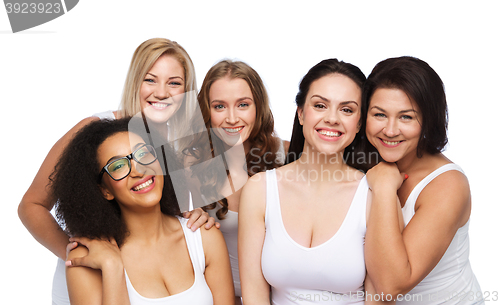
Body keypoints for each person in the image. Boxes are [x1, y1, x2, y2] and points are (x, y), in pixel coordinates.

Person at [17, 38, 215, 305]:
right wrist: (80, 254)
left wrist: (196, 216)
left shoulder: (178, 145)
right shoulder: (93, 133)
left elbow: (162, 217)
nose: (161, 92)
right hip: (89, 288)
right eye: (150, 80)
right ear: (135, 81)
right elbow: (31, 205)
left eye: (174, 83)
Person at [239, 59, 383, 304]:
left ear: (359, 123)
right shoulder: (260, 189)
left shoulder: (373, 194)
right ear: (301, 113)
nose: (332, 118)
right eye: (320, 105)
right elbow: (254, 294)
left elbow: (379, 296)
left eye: (346, 109)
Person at [51, 118, 234, 304]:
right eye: (118, 165)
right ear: (105, 190)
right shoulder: (87, 259)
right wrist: (112, 267)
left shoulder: (204, 237)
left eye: (143, 154)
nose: (138, 170)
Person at [362, 56, 484, 304]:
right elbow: (302, 154)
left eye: (406, 117)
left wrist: (385, 187)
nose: (390, 130)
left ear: (428, 119)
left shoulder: (447, 184)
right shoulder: (367, 159)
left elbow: (390, 286)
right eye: (379, 115)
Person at [188, 59, 289, 304]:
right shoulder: (190, 165)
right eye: (219, 106)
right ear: (206, 111)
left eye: (243, 105)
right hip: (219, 297)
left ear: (258, 107)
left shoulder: (288, 155)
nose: (232, 118)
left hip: (280, 297)